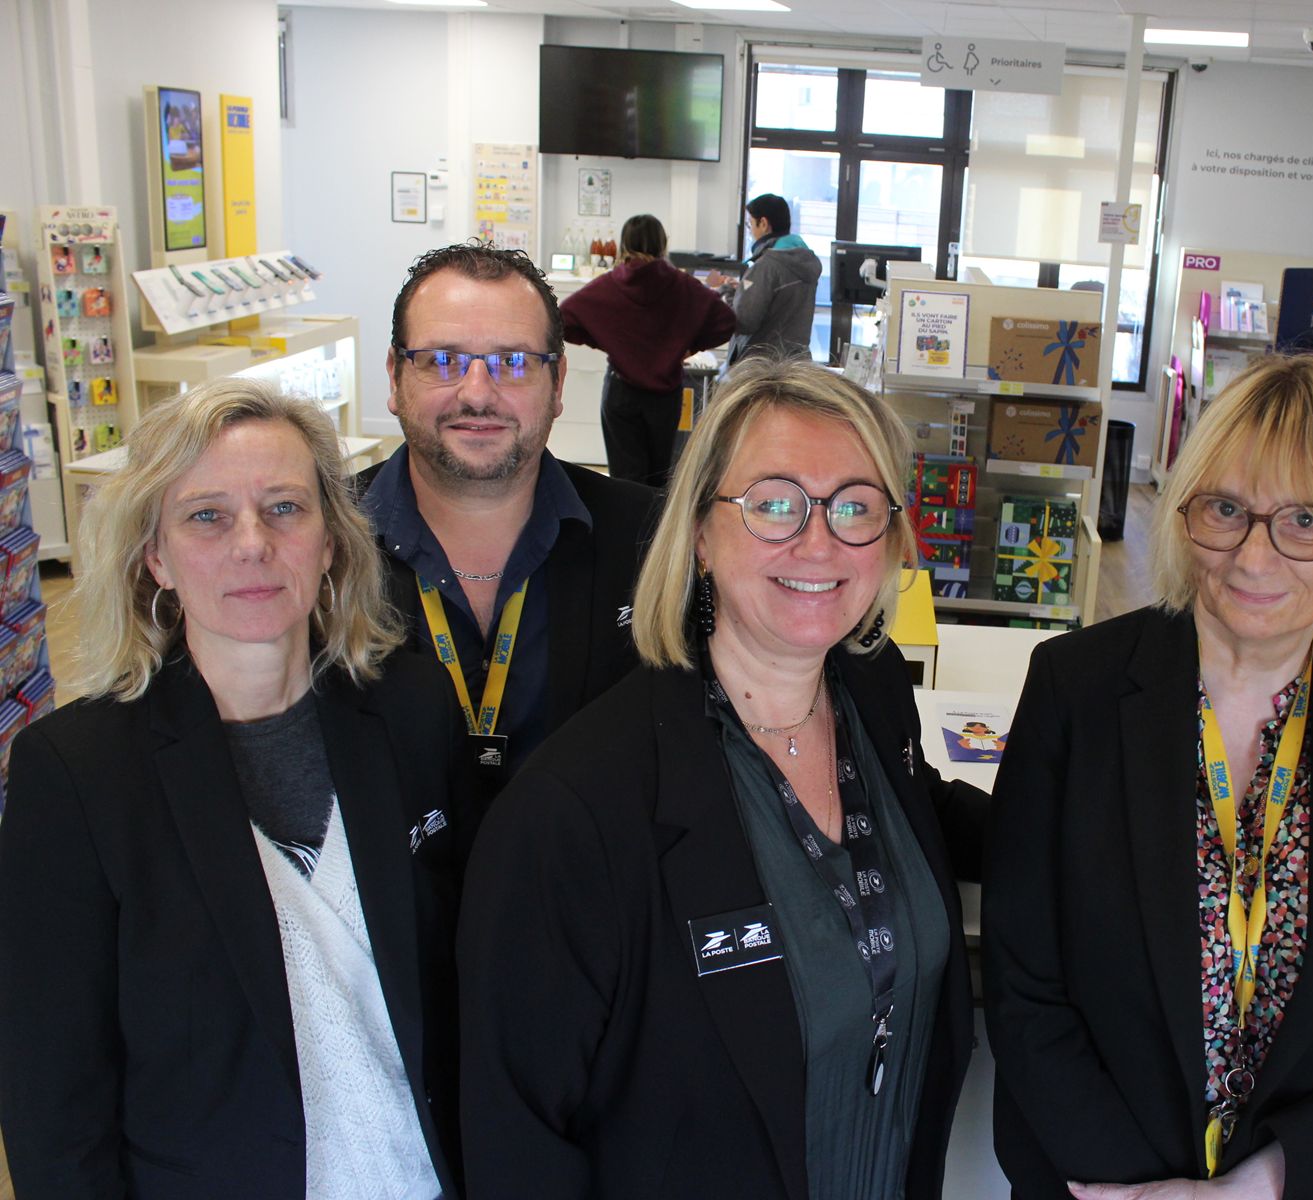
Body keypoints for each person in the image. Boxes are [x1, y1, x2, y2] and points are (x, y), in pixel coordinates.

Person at [984, 354, 1313, 1200]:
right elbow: (1023, 981)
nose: (1253, 559)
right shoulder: (1075, 687)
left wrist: (1262, 1184)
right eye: (1226, 509)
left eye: (1306, 521)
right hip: (1101, 1184)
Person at [458, 358, 984, 1199]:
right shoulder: (577, 810)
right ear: (700, 532)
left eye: (855, 506)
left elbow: (917, 817)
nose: (819, 543)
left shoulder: (875, 696)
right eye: (774, 504)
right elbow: (518, 1136)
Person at [0, 378, 465, 1199]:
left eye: (284, 508)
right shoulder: (75, 776)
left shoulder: (413, 711)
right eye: (206, 515)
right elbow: (55, 1102)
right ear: (155, 556)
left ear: (330, 540)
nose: (252, 543)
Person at [361, 241, 656, 804]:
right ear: (396, 379)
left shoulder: (650, 540)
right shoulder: (316, 544)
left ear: (559, 383)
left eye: (514, 362)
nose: (477, 393)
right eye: (443, 360)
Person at [559, 212, 737, 488]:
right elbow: (725, 321)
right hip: (665, 395)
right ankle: (658, 531)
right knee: (659, 477)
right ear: (662, 244)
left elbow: (564, 319)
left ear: (623, 245)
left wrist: (608, 342)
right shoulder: (682, 285)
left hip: (621, 391)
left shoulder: (611, 284)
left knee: (623, 478)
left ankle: (626, 530)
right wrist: (687, 347)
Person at [714, 193, 823, 371]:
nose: (750, 232)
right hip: (794, 367)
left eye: (751, 225)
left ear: (763, 224)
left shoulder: (767, 265)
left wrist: (727, 295)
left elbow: (745, 320)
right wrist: (742, 291)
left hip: (761, 369)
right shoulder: (804, 262)